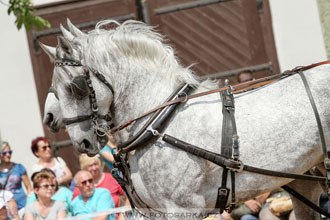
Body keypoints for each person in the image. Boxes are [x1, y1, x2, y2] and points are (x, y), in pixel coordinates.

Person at [0, 141, 32, 216]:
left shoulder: (19, 167)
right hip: (5, 208)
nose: (8, 155)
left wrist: (29, 202)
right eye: (4, 153)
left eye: (10, 152)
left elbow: (29, 187)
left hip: (22, 205)